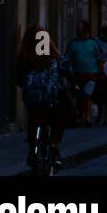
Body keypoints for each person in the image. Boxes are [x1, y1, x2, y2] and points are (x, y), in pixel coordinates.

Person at [16, 24, 70, 170]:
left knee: (34, 117)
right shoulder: (53, 55)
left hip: (32, 100)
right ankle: (53, 144)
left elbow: (19, 80)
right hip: (52, 100)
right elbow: (66, 68)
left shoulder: (23, 57)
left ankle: (33, 150)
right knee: (62, 113)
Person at [65, 22, 102, 127]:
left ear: (86, 29)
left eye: (80, 28)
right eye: (77, 28)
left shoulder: (93, 43)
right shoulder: (73, 44)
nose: (78, 30)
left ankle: (88, 117)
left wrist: (100, 71)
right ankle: (81, 115)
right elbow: (67, 58)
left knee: (87, 95)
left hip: (91, 74)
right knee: (79, 96)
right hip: (77, 75)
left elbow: (99, 57)